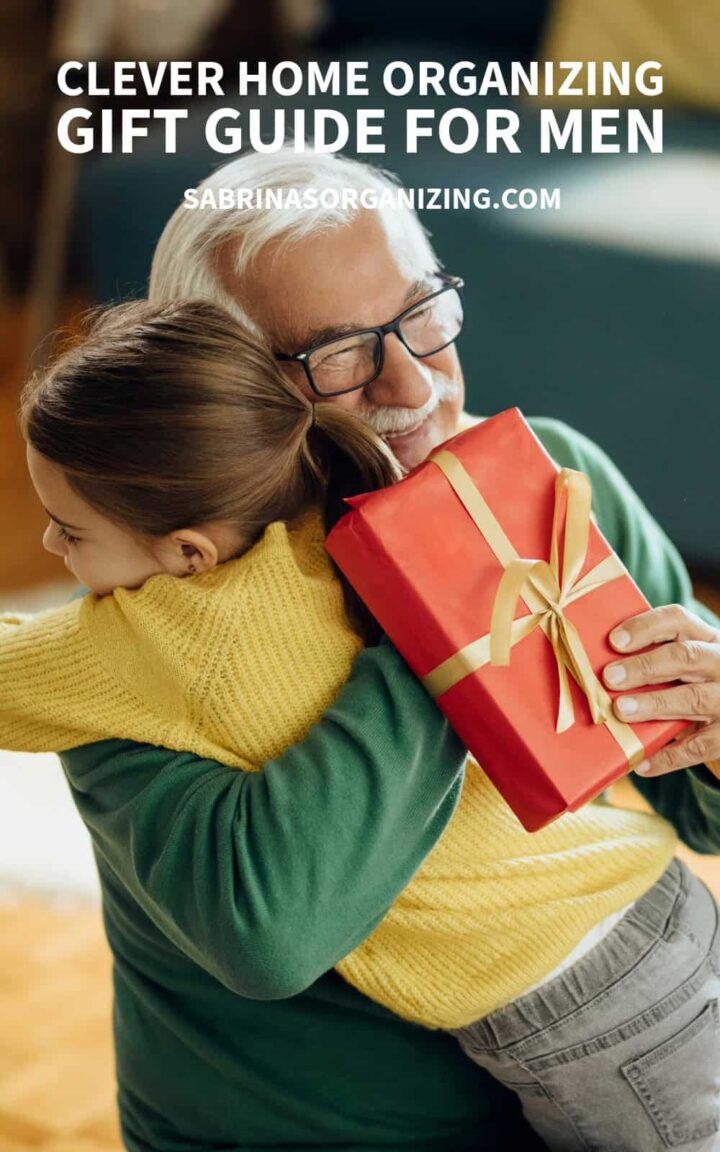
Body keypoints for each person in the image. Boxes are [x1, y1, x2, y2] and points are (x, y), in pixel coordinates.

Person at [49, 150, 720, 1152]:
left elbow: (692, 809)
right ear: (224, 389)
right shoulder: (151, 617)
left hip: (566, 1111)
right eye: (338, 355)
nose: (411, 383)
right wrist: (446, 608)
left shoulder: (557, 480)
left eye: (421, 318)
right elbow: (265, 935)